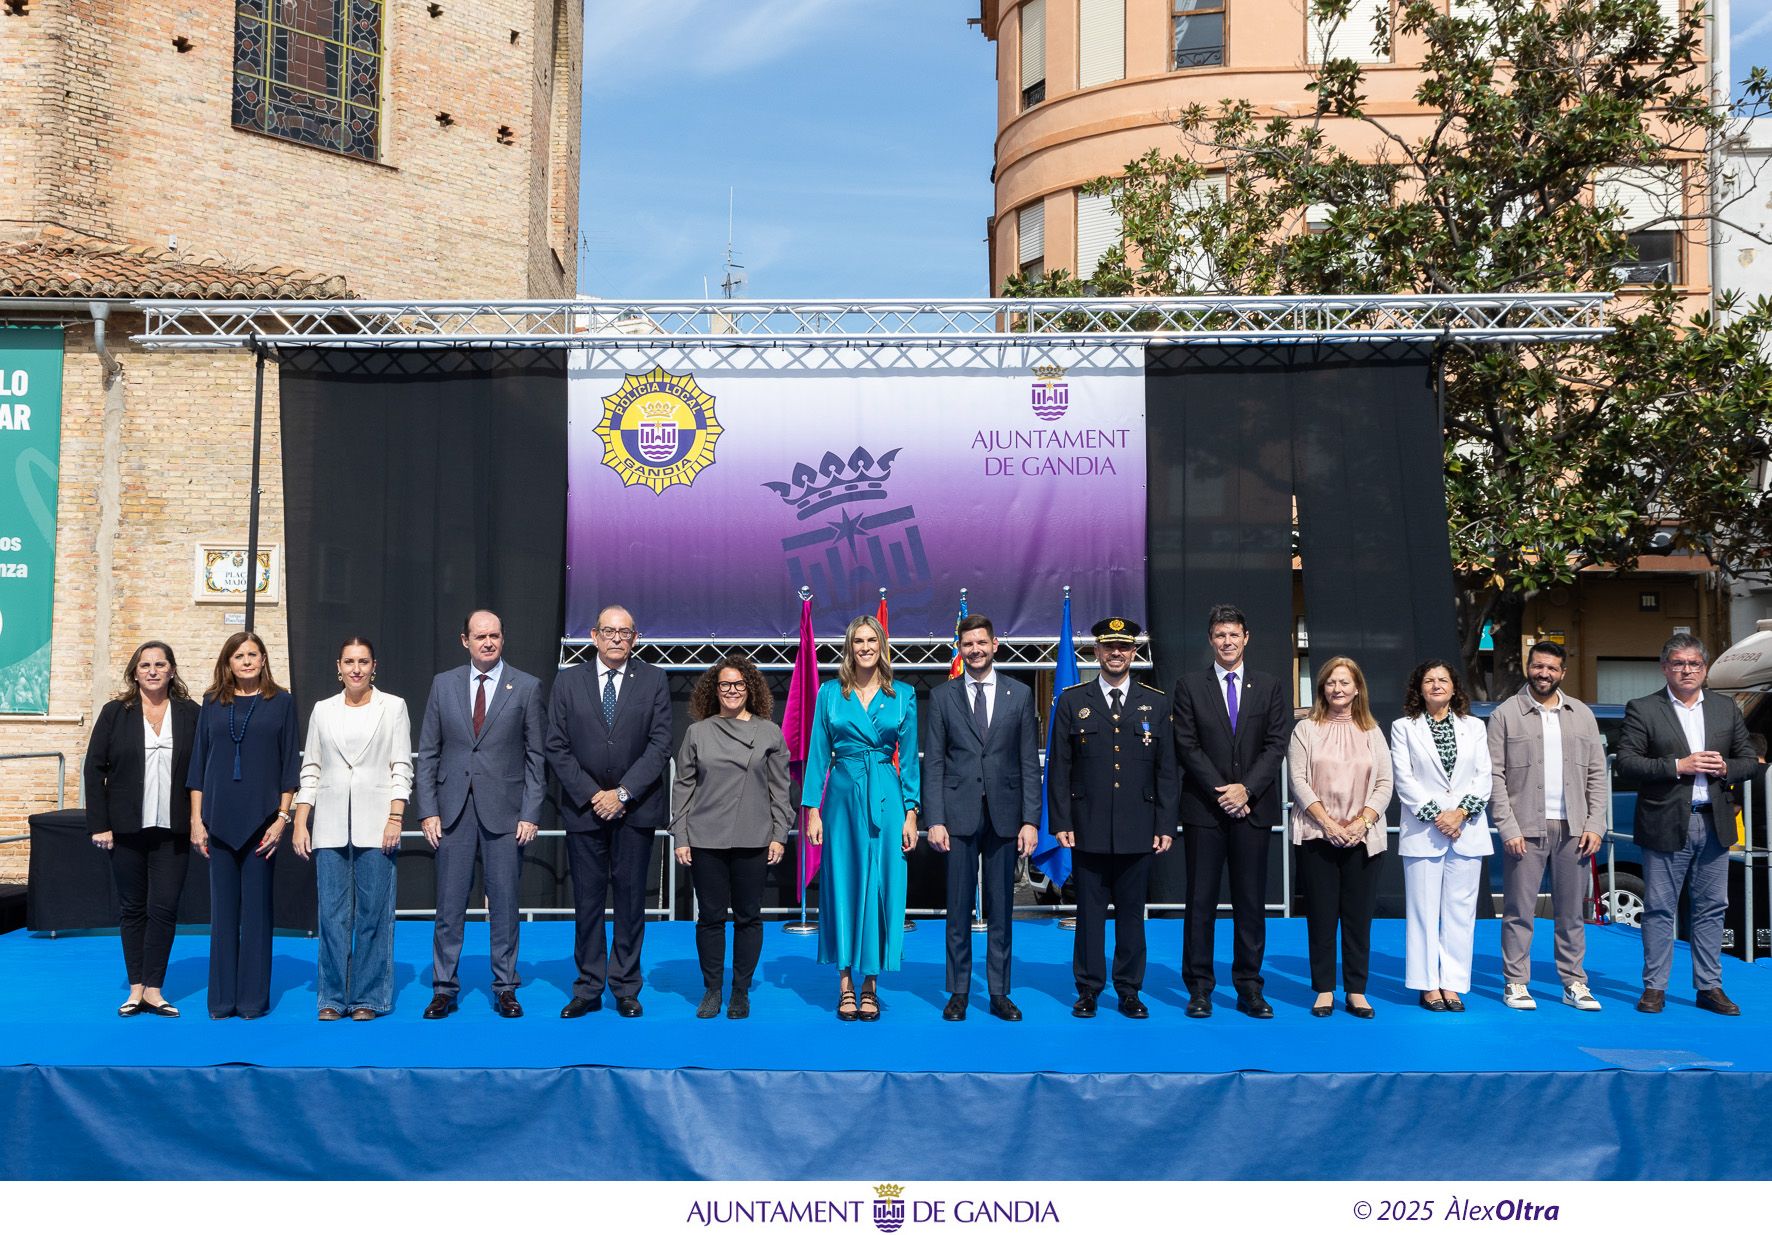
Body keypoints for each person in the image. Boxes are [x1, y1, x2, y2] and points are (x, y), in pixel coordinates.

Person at [1616, 633, 1758, 1016]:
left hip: (1715, 822)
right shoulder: (1644, 708)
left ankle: (1709, 986)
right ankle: (1655, 988)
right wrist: (1678, 766)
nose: (1686, 670)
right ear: (1665, 668)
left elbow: (1750, 760)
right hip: (1665, 822)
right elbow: (1626, 763)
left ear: (1705, 668)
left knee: (1712, 907)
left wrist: (1726, 767)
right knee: (1660, 908)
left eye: (1694, 663)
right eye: (1678, 663)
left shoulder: (1726, 709)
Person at [415, 610, 546, 1019]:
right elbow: (429, 753)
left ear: (503, 639)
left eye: (494, 636)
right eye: (479, 636)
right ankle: (443, 988)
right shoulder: (443, 685)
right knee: (448, 906)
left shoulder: (525, 687)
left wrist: (531, 812)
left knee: (504, 905)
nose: (487, 642)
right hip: (452, 811)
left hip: (506, 814)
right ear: (465, 640)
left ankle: (506, 987)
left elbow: (536, 758)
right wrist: (427, 811)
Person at [546, 604, 673, 1019]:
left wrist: (621, 793)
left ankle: (625, 986)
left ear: (635, 638)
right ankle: (587, 987)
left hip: (634, 810)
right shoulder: (568, 682)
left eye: (625, 632)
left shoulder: (653, 679)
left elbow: (660, 744)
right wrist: (592, 794)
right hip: (584, 812)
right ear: (593, 635)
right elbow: (556, 746)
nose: (617, 638)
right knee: (587, 902)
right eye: (609, 631)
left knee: (632, 900)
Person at [1047, 617, 1177, 1019]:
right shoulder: (1073, 700)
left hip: (1138, 826)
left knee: (1131, 916)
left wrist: (1164, 825)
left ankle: (1129, 990)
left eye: (1124, 647)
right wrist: (1061, 822)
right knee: (1087, 916)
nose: (1116, 653)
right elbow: (1060, 767)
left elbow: (1166, 769)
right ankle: (1087, 989)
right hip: (1086, 827)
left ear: (1134, 652)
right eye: (1109, 647)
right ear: (1096, 652)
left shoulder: (1154, 702)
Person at [1171, 603, 1291, 1019]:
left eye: (1233, 635)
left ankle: (1249, 987)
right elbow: (1186, 745)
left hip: (1252, 810)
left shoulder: (1270, 685)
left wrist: (1247, 789)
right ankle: (1200, 988)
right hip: (1206, 809)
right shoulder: (1189, 685)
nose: (1227, 642)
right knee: (1200, 902)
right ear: (1210, 640)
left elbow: (1276, 743)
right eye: (1220, 635)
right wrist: (1223, 791)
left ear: (1246, 638)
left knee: (1250, 903)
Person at [802, 614, 920, 1022]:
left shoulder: (903, 694)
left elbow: (911, 763)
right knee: (844, 884)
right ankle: (845, 983)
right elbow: (818, 753)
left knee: (881, 885)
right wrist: (812, 810)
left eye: (872, 640)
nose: (865, 647)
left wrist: (912, 812)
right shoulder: (830, 694)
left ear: (882, 646)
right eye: (858, 641)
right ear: (849, 647)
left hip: (887, 797)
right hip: (841, 796)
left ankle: (871, 984)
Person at [924, 614, 1042, 1022]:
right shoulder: (942, 697)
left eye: (981, 643)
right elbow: (933, 762)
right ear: (959, 648)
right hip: (957, 817)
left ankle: (999, 992)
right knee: (957, 910)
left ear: (995, 645)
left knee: (1001, 909)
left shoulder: (1021, 695)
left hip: (1007, 817)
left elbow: (1030, 762)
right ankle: (958, 990)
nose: (974, 650)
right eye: (967, 644)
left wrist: (1031, 820)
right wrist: (934, 818)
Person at [291, 637, 413, 1021]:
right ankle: (331, 996)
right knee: (332, 915)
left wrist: (395, 817)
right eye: (349, 661)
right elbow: (311, 767)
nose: (356, 668)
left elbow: (401, 767)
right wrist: (299, 821)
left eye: (363, 661)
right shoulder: (322, 710)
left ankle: (369, 998)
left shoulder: (393, 707)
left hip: (377, 825)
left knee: (374, 914)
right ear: (338, 666)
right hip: (328, 824)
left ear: (374, 666)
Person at [1487, 641, 1608, 1013]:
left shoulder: (1582, 715)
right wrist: (1508, 827)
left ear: (1563, 673)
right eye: (1538, 666)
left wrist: (1596, 824)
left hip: (1574, 829)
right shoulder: (1506, 714)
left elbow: (1597, 775)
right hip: (1525, 830)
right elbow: (1494, 776)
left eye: (1551, 668)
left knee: (1571, 912)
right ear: (1528, 666)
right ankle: (1516, 982)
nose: (1544, 674)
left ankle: (1574, 982)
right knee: (1518, 911)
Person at [83, 640, 201, 1017]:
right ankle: (135, 987)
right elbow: (93, 769)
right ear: (134, 672)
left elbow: (202, 771)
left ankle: (154, 988)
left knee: (164, 908)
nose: (152, 670)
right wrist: (99, 824)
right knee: (133, 908)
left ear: (172, 670)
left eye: (160, 664)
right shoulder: (115, 713)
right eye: (145, 664)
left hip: (173, 829)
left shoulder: (190, 714)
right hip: (126, 829)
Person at [669, 656, 791, 1020]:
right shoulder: (698, 733)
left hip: (754, 837)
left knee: (748, 917)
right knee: (709, 917)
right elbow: (683, 788)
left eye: (739, 684)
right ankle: (712, 989)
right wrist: (680, 836)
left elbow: (780, 790)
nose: (733, 690)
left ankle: (740, 990)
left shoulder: (769, 732)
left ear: (750, 688)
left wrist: (779, 834)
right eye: (725, 684)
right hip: (705, 838)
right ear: (714, 690)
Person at [186, 632, 300, 1020]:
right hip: (217, 821)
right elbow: (198, 766)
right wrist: (196, 821)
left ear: (264, 660)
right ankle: (221, 1000)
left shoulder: (281, 703)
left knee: (257, 914)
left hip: (262, 822)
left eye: (253, 654)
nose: (246, 661)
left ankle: (252, 1000)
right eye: (239, 655)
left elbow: (290, 767)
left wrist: (282, 819)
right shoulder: (212, 702)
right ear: (228, 662)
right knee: (222, 914)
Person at [1286, 656, 1392, 1019]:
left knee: (1358, 917)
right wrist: (1327, 823)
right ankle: (1325, 989)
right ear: (1322, 688)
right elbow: (1298, 780)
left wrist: (1362, 822)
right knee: (1321, 915)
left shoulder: (1372, 731)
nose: (1338, 689)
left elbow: (1385, 783)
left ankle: (1357, 991)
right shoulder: (1306, 730)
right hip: (1318, 835)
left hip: (1363, 837)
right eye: (1331, 683)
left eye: (1345, 683)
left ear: (1357, 688)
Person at [1390, 659, 1492, 1013]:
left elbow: (1484, 776)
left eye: (1443, 679)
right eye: (1429, 680)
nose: (1436, 685)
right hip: (1424, 832)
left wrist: (1459, 813)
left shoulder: (1474, 727)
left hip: (1467, 829)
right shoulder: (1403, 728)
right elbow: (1404, 780)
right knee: (1422, 910)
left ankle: (1452, 983)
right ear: (1419, 688)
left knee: (1461, 913)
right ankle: (1427, 985)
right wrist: (1438, 816)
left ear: (1454, 687)